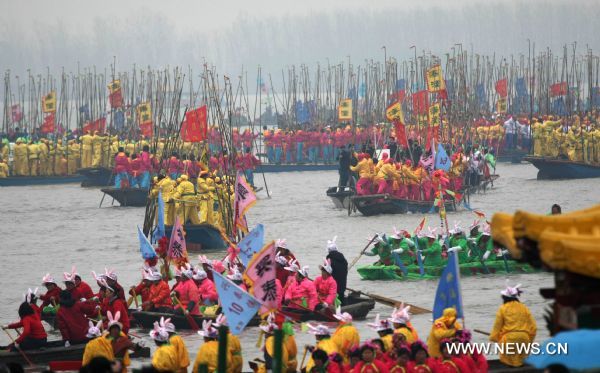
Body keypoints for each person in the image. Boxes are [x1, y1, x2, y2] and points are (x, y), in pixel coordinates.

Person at [489, 281, 537, 367]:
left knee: (509, 364)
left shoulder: (502, 308)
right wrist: (530, 340)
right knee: (521, 363)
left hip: (509, 340)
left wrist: (494, 338)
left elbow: (497, 326)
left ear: (504, 298)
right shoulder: (524, 308)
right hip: (524, 339)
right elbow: (534, 327)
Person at [325, 236, 348, 305]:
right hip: (342, 283)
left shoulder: (329, 259)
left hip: (332, 284)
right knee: (341, 296)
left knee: (333, 297)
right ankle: (342, 306)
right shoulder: (343, 258)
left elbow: (326, 273)